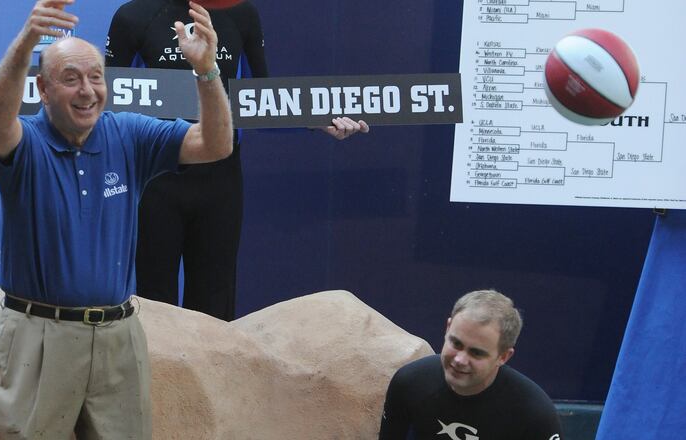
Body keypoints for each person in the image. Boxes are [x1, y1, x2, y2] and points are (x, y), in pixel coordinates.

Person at [0, 0, 231, 437]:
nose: (87, 90)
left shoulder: (127, 132)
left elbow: (214, 144)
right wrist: (25, 44)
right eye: (71, 79)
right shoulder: (27, 143)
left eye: (96, 77)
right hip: (38, 338)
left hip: (118, 338)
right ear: (42, 88)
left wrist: (207, 72)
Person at [105, 0, 369, 321]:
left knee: (215, 298)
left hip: (221, 178)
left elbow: (261, 99)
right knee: (153, 298)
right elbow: (106, 96)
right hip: (155, 178)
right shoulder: (134, 15)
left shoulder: (241, 13)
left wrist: (316, 118)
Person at [378, 290, 562, 440]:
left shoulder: (535, 415)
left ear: (503, 356)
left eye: (476, 353)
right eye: (456, 344)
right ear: (448, 328)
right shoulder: (409, 383)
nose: (460, 360)